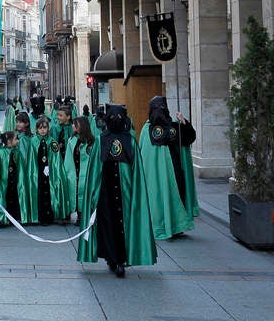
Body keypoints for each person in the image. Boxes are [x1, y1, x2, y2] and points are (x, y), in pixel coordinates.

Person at [78, 104, 156, 278]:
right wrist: (93, 193)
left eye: (119, 118)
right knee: (107, 225)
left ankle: (121, 259)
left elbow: (136, 171)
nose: (116, 121)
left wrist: (136, 193)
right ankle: (112, 258)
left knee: (123, 225)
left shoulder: (130, 141)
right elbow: (95, 169)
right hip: (105, 192)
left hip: (125, 193)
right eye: (112, 117)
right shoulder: (100, 140)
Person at [138, 96, 198, 240]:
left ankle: (176, 226)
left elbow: (189, 138)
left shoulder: (174, 127)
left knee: (176, 195)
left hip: (175, 170)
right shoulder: (147, 130)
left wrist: (184, 123)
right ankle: (160, 225)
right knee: (160, 197)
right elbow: (145, 154)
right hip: (156, 175)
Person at [0, 131, 24, 227]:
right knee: (5, 198)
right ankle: (2, 217)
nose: (18, 141)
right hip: (3, 183)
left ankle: (13, 217)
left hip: (14, 182)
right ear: (9, 141)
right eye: (16, 139)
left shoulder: (17, 152)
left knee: (13, 199)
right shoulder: (0, 153)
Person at [64, 115, 95, 226]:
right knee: (75, 193)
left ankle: (84, 214)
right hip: (74, 172)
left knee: (84, 192)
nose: (73, 126)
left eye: (75, 124)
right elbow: (68, 158)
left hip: (85, 172)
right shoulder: (72, 140)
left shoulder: (91, 142)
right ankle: (78, 214)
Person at [13, 111, 37, 224]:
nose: (18, 124)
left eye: (20, 122)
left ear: (26, 124)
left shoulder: (25, 139)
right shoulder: (19, 138)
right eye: (17, 122)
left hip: (25, 169)